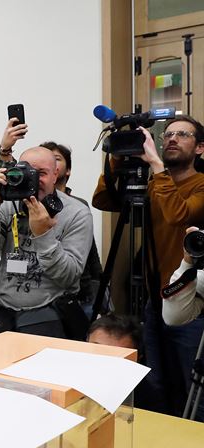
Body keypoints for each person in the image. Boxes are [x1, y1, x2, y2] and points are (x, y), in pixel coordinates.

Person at [93, 115, 204, 416]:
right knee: (154, 383)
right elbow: (103, 200)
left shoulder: (200, 185)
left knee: (191, 384)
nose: (171, 139)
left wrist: (156, 166)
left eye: (182, 134)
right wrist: (117, 160)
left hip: (191, 302)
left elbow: (178, 215)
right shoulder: (154, 182)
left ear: (199, 149)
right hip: (154, 301)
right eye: (167, 134)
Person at [0, 146, 93, 338]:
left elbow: (69, 276)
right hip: (4, 306)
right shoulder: (5, 205)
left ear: (56, 175)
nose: (34, 180)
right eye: (27, 173)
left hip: (49, 308)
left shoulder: (76, 213)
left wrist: (43, 234)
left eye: (41, 174)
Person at [41, 140, 103, 316]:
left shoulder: (78, 207)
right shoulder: (31, 204)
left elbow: (91, 251)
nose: (51, 161)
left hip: (79, 289)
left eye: (56, 158)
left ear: (67, 169)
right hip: (44, 287)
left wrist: (99, 283)